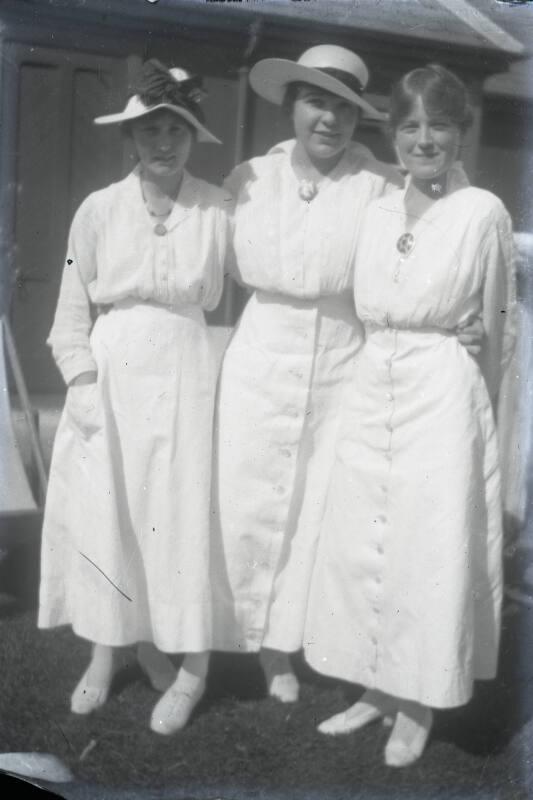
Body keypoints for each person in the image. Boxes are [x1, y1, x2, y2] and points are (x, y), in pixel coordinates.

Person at [210, 46, 478, 703]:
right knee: (242, 493)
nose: (325, 119)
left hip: (341, 358)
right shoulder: (248, 178)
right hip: (261, 349)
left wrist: (467, 316)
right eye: (313, 102)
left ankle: (278, 649)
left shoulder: (379, 183)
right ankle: (219, 636)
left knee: (313, 507)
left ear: (358, 119)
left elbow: (456, 204)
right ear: (290, 106)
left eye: (341, 107)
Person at [303, 64, 516, 767]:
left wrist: (473, 366)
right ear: (391, 134)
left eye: (438, 127)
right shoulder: (376, 209)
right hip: (372, 381)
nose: (423, 140)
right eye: (409, 127)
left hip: (439, 392)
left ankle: (418, 698)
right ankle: (376, 685)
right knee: (366, 541)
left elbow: (498, 327)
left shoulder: (481, 210)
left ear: (460, 133)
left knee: (426, 547)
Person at [38, 60, 227, 735]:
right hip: (114, 380)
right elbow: (67, 313)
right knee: (111, 517)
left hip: (187, 375)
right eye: (150, 129)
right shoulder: (97, 210)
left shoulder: (216, 207)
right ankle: (107, 650)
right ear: (130, 139)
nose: (163, 143)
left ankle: (191, 667)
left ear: (191, 137)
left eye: (176, 129)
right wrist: (83, 383)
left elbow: (262, 281)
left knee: (180, 518)